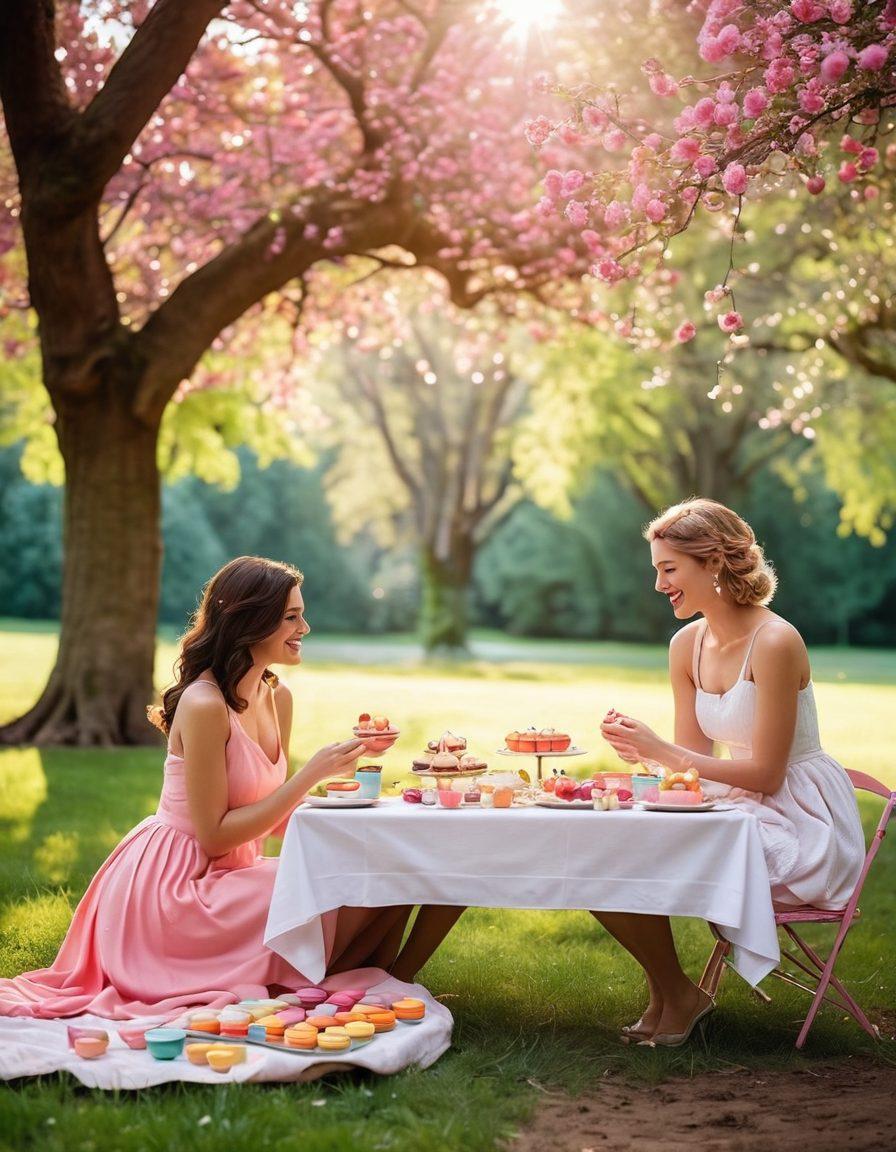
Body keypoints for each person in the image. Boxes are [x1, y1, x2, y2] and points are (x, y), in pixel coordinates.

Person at [0, 556, 408, 1019]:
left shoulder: (278, 697)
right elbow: (214, 835)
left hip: (231, 875)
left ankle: (351, 981)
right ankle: (329, 985)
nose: (306, 627)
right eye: (291, 616)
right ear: (250, 622)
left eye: (301, 614)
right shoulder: (204, 703)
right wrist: (309, 776)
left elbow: (272, 821)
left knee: (367, 869)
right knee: (336, 884)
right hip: (177, 888)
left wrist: (359, 801)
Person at [597, 498, 865, 1047]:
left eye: (669, 569)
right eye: (657, 570)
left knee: (636, 859)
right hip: (733, 802)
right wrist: (646, 754)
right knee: (605, 848)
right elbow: (694, 763)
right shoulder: (685, 645)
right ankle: (672, 993)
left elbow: (767, 773)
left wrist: (664, 752)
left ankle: (675, 998)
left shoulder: (776, 642)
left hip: (799, 818)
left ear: (713, 562)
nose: (658, 584)